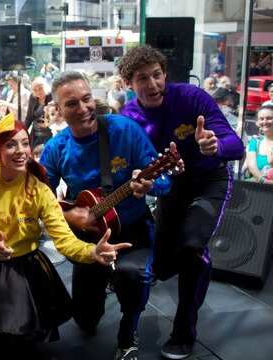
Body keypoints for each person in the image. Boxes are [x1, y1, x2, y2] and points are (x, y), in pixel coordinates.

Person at [0, 114, 129, 357]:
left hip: (28, 277)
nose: (21, 150)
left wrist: (91, 251)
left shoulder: (39, 190)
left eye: (25, 143)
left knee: (23, 346)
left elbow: (64, 239)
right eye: (11, 144)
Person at [118, 45, 244, 359]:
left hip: (209, 180)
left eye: (157, 75)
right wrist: (136, 176)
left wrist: (214, 146)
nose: (152, 84)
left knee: (191, 246)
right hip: (171, 188)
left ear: (165, 74)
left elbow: (236, 144)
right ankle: (194, 263)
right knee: (160, 265)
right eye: (142, 78)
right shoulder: (129, 116)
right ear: (128, 84)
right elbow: (127, 166)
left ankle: (184, 331)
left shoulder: (191, 97)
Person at [40, 71, 175, 360]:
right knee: (85, 322)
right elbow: (39, 199)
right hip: (89, 237)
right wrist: (69, 216)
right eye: (72, 104)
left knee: (132, 276)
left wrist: (149, 184)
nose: (83, 108)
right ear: (58, 110)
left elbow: (165, 183)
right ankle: (101, 285)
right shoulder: (56, 148)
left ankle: (129, 331)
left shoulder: (124, 130)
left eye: (87, 99)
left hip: (132, 230)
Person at [245, 105, 273, 183]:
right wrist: (264, 181)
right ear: (257, 122)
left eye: (269, 118)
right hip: (257, 190)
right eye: (261, 119)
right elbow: (252, 166)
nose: (265, 121)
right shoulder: (255, 142)